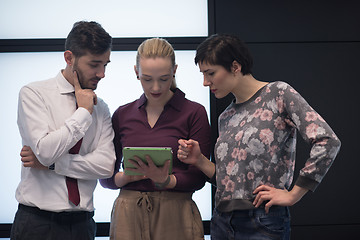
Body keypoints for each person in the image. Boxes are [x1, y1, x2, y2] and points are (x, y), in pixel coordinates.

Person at [177, 34, 341, 240]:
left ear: (235, 67)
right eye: (203, 74)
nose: (204, 82)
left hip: (262, 222)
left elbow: (327, 141)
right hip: (222, 221)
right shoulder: (226, 116)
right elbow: (231, 182)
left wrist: (293, 195)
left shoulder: (278, 94)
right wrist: (199, 160)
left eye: (210, 73)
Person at [11, 21, 116, 240]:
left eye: (106, 64)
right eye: (94, 64)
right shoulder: (33, 94)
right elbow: (45, 150)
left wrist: (52, 165)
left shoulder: (102, 108)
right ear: (69, 58)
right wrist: (83, 113)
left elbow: (106, 166)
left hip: (83, 226)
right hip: (36, 224)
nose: (102, 73)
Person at [99, 37, 211, 240]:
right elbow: (105, 176)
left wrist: (167, 181)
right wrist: (126, 177)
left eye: (164, 78)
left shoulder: (194, 112)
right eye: (147, 79)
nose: (156, 88)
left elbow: (199, 177)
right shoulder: (122, 114)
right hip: (128, 212)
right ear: (136, 72)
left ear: (175, 71)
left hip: (175, 212)